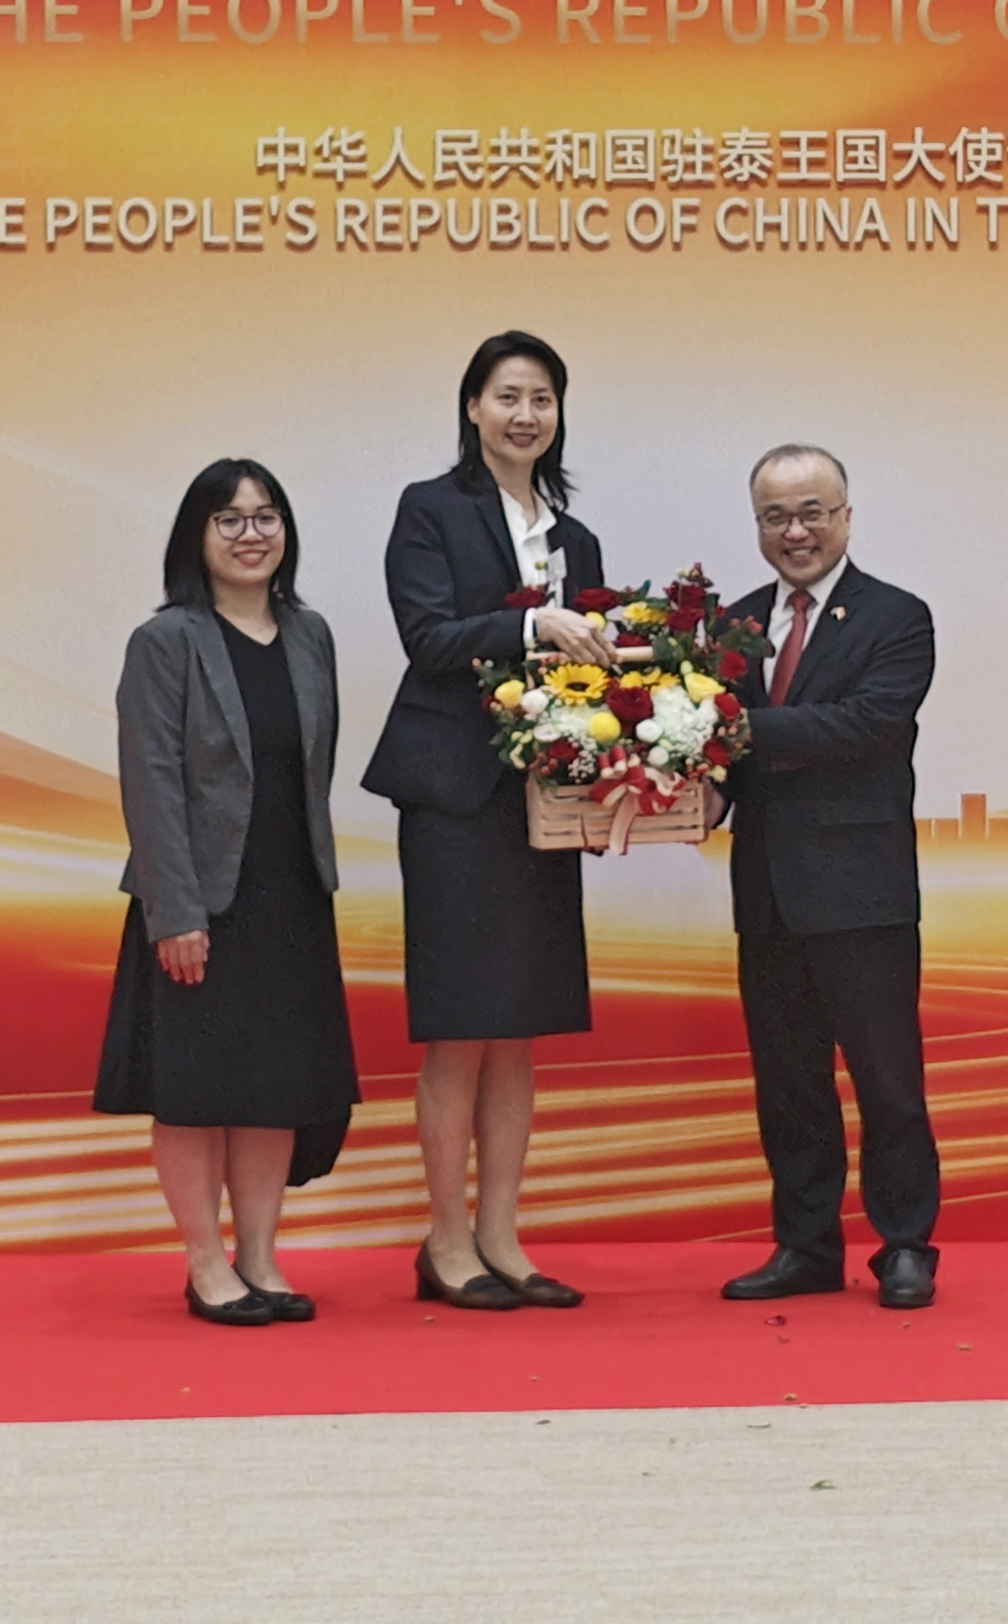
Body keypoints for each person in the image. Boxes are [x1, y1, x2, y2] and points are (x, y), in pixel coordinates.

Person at [362, 330, 613, 1312]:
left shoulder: (575, 535)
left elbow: (590, 669)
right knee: (460, 1029)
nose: (524, 415)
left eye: (541, 398)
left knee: (519, 1031)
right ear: (472, 407)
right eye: (506, 396)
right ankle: (445, 1241)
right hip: (456, 798)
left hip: (539, 805)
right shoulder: (429, 509)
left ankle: (503, 1237)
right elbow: (425, 638)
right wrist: (529, 625)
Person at [92, 459, 357, 1326]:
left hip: (291, 895)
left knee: (273, 1085)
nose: (252, 534)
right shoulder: (165, 641)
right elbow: (152, 782)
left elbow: (310, 768)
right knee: (198, 1089)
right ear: (196, 538)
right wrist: (177, 910)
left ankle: (261, 1256)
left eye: (266, 516)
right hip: (200, 899)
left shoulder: (310, 633)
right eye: (230, 519)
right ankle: (205, 1263)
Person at [715, 443, 943, 1311]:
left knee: (888, 1081)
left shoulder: (897, 616)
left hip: (862, 895)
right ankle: (806, 1245)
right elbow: (716, 760)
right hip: (768, 894)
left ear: (846, 515)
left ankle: (906, 1244)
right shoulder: (732, 625)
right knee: (789, 1082)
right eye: (776, 516)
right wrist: (665, 789)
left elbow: (865, 723)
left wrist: (733, 727)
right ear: (759, 527)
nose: (796, 531)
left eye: (812, 511)